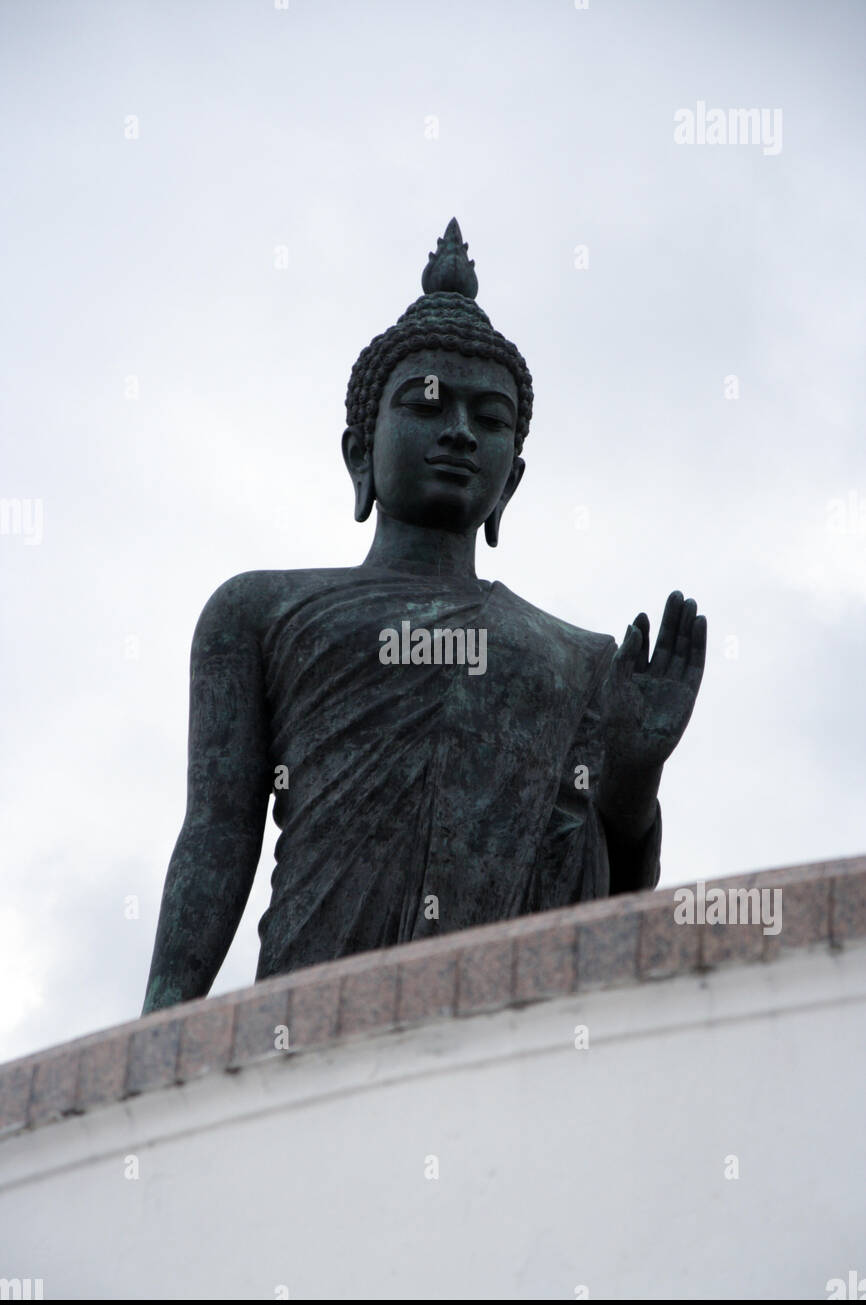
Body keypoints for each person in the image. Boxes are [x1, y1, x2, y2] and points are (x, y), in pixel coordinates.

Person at [142, 219, 705, 1014]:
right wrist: (162, 1028)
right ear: (358, 453)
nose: (461, 432)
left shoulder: (579, 659)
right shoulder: (261, 611)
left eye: (491, 418)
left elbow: (604, 900)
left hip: (504, 1026)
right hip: (311, 1006)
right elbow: (218, 832)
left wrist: (633, 774)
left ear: (511, 481)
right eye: (428, 405)